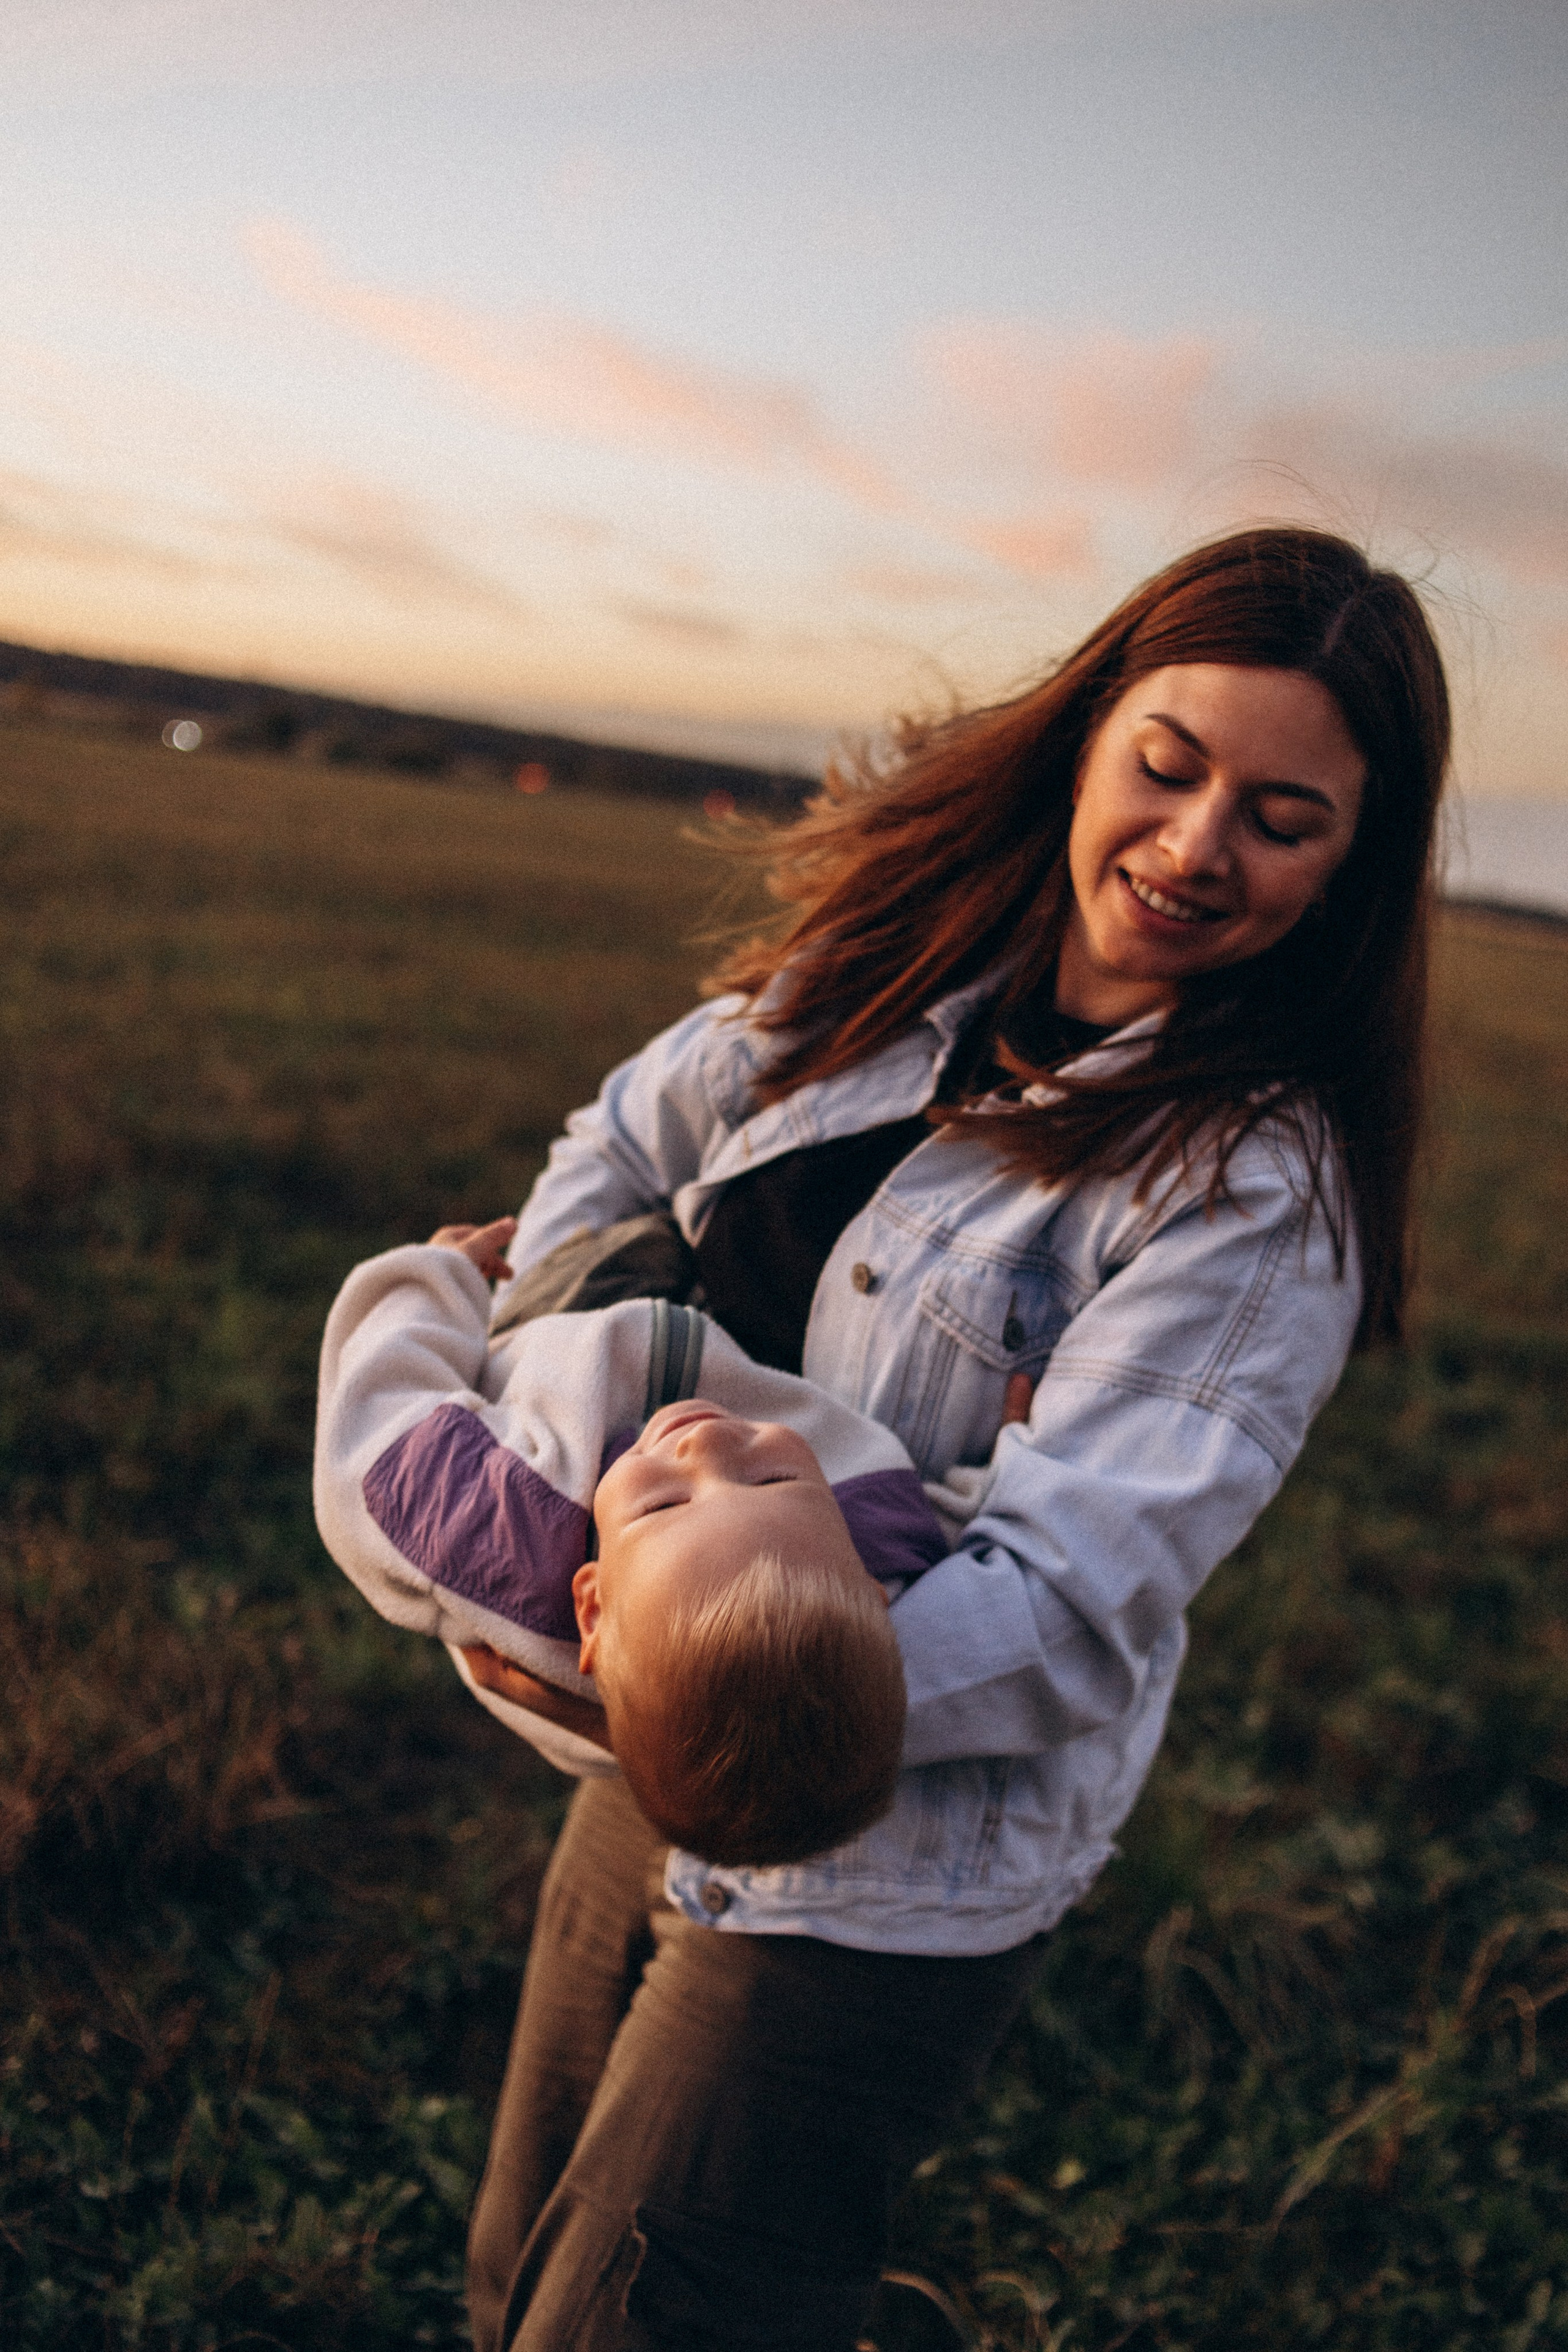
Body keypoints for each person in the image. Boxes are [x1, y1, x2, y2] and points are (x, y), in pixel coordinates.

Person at [463, 527, 1451, 2352]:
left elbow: (1068, 1591)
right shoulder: (892, 976)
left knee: (629, 2324)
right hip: (634, 1741)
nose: (1191, 846)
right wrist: (546, 1363)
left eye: (1279, 816)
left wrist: (684, 1659)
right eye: (1166, 766)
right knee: (520, 2265)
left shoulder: (1247, 1184)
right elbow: (615, 1147)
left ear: (1347, 867)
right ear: (1087, 737)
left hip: (886, 1866)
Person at [314, 1213, 960, 1866]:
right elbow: (948, 1522)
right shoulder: (869, 1547)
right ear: (871, 1587)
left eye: (664, 1503)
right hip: (704, 1327)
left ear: (591, 1606)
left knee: (631, 1238)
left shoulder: (502, 1533)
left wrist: (435, 1282)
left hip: (568, 1329)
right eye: (774, 1482)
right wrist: (1007, 1441)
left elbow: (379, 1431)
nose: (706, 1443)